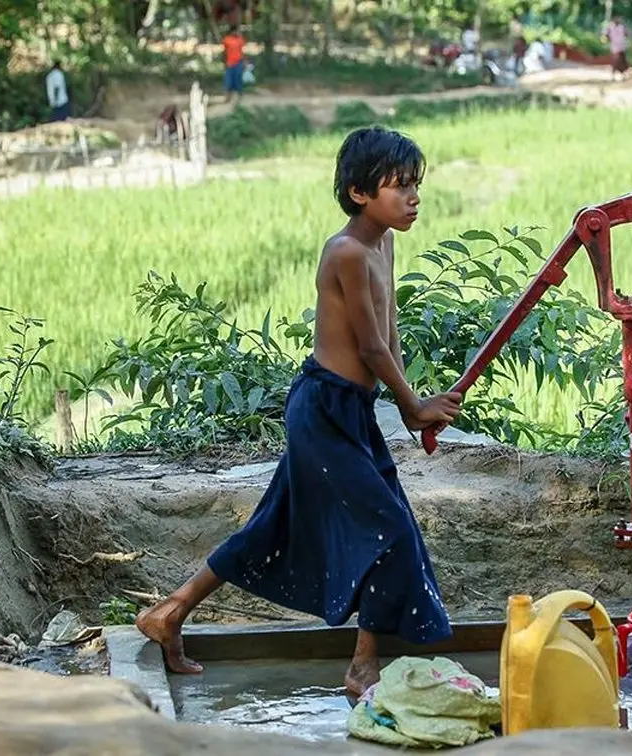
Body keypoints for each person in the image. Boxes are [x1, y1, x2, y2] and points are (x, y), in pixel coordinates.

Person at [134, 125, 463, 696]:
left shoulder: (384, 242)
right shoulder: (347, 252)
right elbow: (367, 347)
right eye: (400, 186)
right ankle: (362, 668)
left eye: (417, 186)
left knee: (274, 524)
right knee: (391, 530)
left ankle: (170, 613)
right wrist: (411, 406)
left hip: (353, 410)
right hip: (321, 411)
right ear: (360, 192)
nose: (414, 198)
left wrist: (410, 401)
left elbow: (389, 333)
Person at [222, 25, 246, 104]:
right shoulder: (226, 40)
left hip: (238, 63)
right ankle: (228, 97)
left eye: (237, 31)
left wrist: (244, 62)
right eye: (235, 31)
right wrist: (224, 63)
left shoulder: (240, 40)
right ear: (232, 32)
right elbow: (224, 52)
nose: (236, 33)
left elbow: (242, 51)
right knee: (228, 81)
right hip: (229, 63)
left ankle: (240, 97)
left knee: (238, 80)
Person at [605, 16, 629, 81]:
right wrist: (610, 40)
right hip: (614, 47)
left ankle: (623, 75)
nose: (617, 19)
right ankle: (613, 76)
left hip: (622, 46)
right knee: (615, 61)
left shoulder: (622, 27)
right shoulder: (610, 27)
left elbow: (627, 34)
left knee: (622, 62)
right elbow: (606, 35)